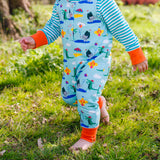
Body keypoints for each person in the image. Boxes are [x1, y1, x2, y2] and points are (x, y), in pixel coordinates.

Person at [19, 0, 148, 151]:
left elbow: (120, 27)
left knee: (85, 96)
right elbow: (53, 28)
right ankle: (98, 103)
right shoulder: (61, 3)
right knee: (69, 96)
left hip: (96, 60)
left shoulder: (102, 2)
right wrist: (34, 40)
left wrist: (135, 53)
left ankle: (88, 137)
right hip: (72, 62)